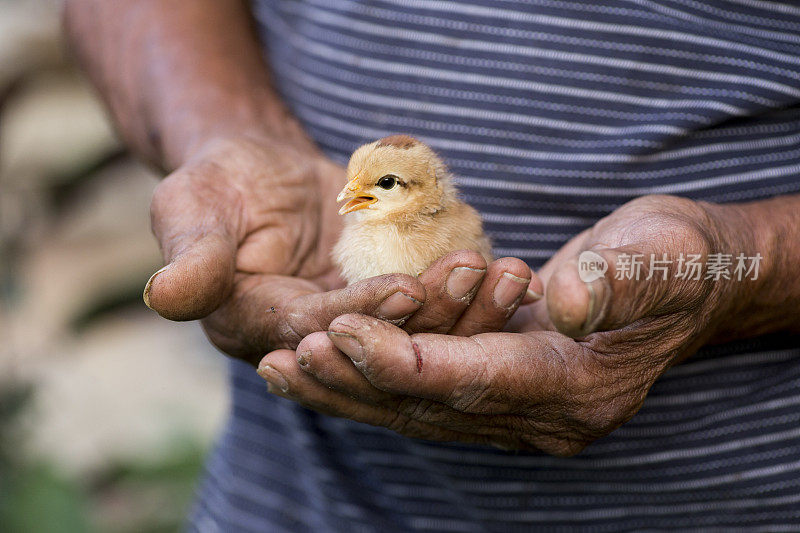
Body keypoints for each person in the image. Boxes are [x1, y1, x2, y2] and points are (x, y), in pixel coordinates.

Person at [65, 0, 800, 530]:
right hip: (284, 500)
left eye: (378, 186)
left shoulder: (448, 227)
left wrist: (755, 264)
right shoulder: (361, 227)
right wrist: (224, 133)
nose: (356, 198)